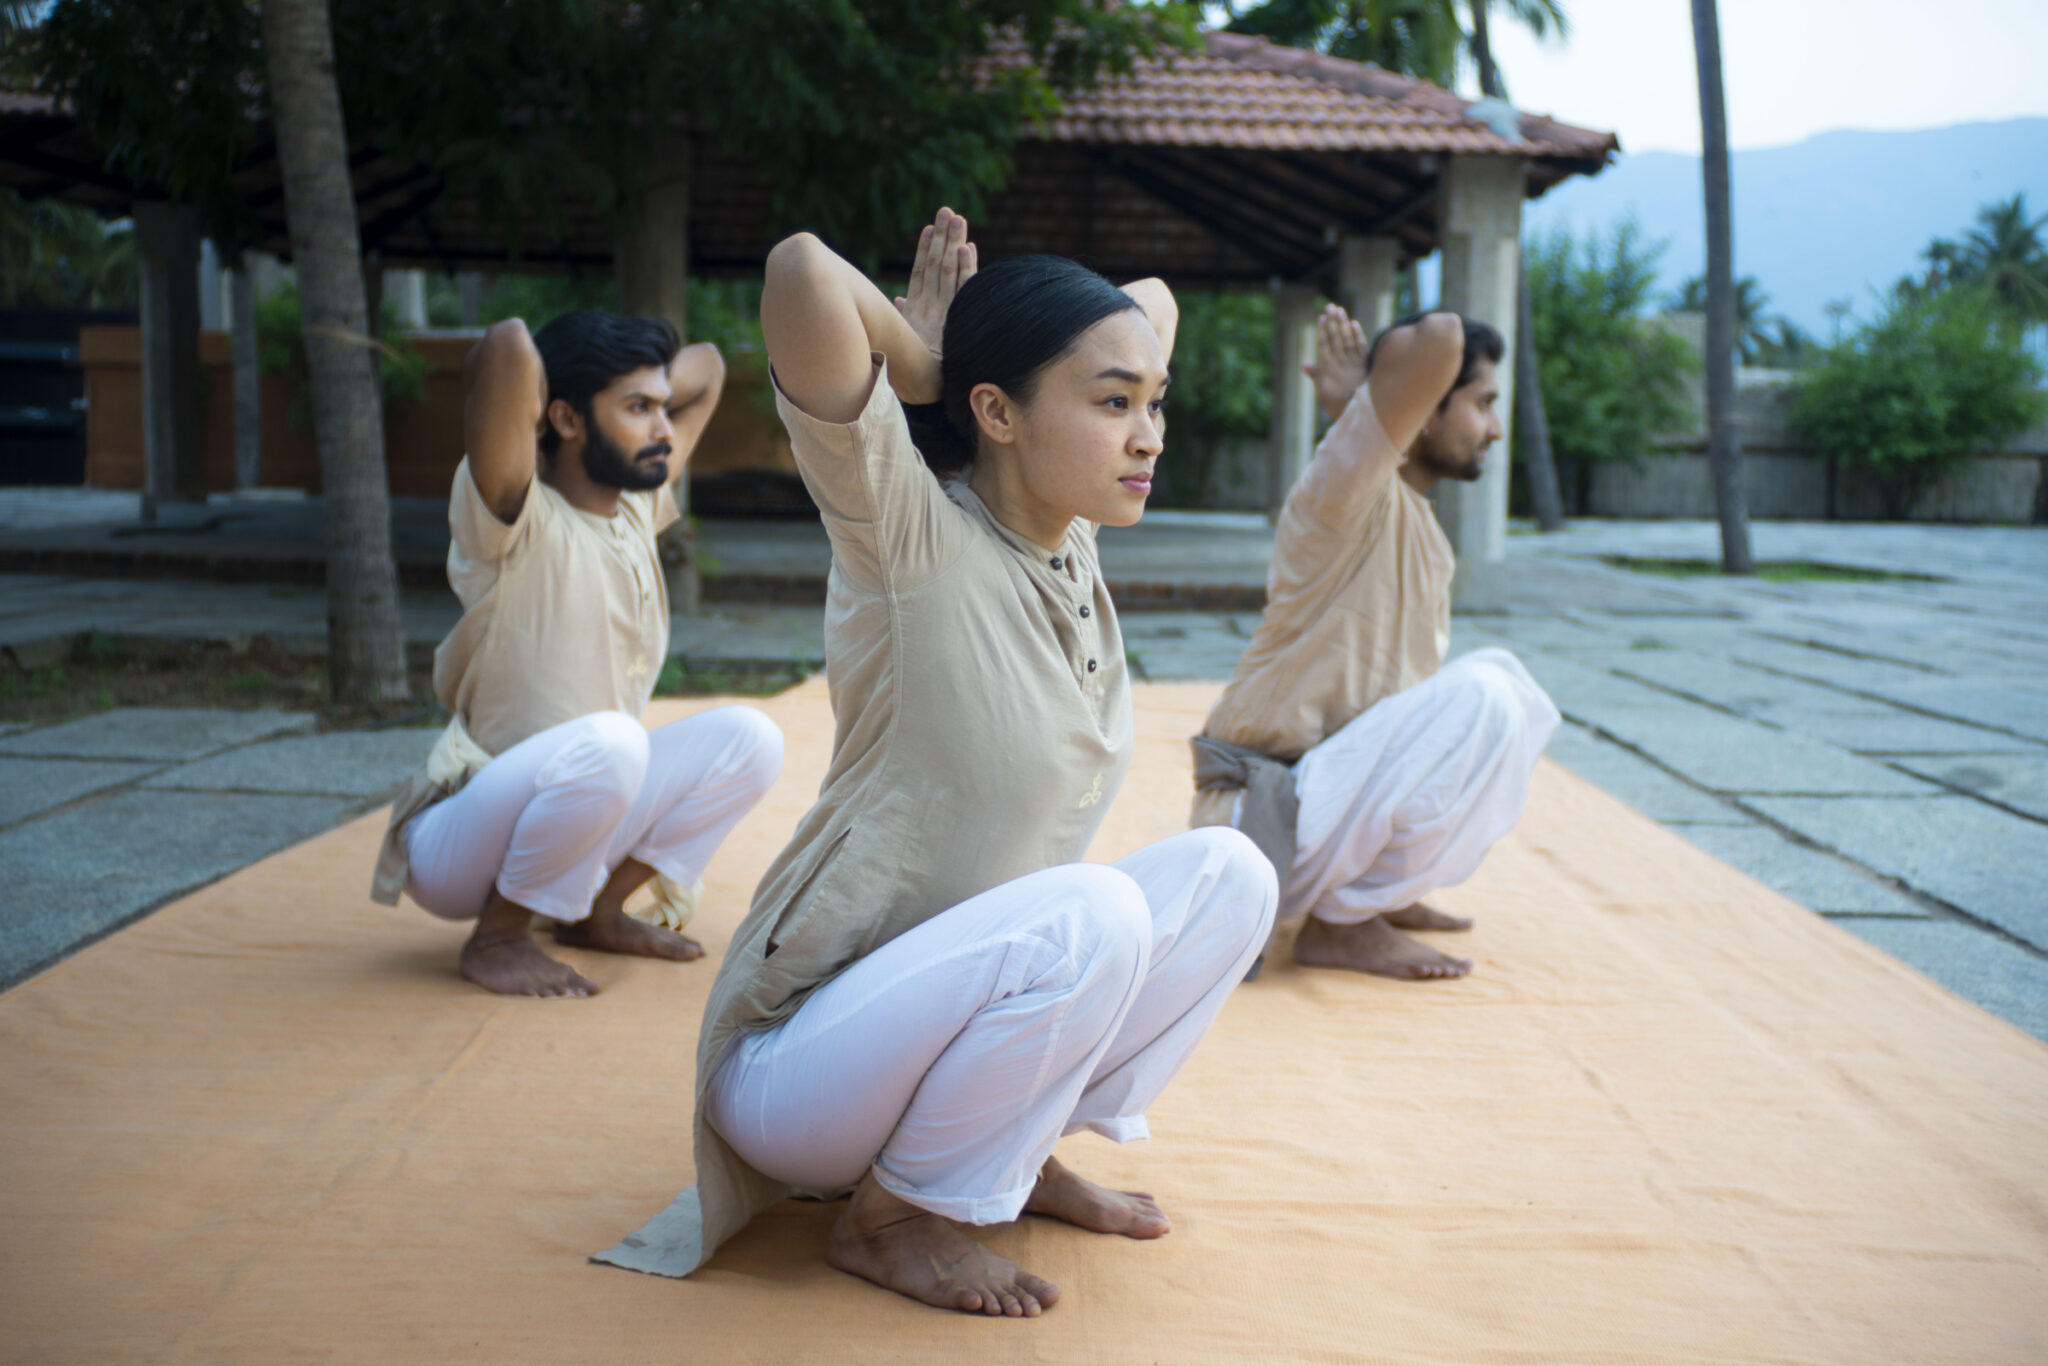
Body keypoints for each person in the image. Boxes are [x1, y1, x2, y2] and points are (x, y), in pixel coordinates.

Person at [598, 209, 1277, 1316]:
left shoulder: (1068, 538)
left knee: (1228, 874)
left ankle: (1011, 1154)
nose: (1150, 433)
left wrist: (1066, 370)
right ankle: (896, 1217)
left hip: (935, 1026)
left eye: (1151, 403)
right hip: (795, 1071)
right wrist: (929, 366)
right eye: (1114, 406)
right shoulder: (906, 531)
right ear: (996, 414)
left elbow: (1150, 297)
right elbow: (800, 273)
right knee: (1093, 911)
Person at [369, 310, 784, 998]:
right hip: (460, 839)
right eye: (638, 408)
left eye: (660, 406)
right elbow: (504, 343)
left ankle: (593, 911)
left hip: (584, 805)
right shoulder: (512, 515)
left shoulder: (634, 512)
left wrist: (627, 374)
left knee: (752, 738)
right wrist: (549, 391)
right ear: (562, 419)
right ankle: (498, 937)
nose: (662, 428)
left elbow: (706, 364)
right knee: (616, 742)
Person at [1189, 304, 1559, 981]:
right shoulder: (1342, 492)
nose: (1495, 428)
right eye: (1481, 403)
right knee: (1484, 700)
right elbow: (1441, 337)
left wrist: (1356, 403)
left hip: (1318, 804)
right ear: (1424, 406)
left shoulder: (1419, 528)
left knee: (1506, 682)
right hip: (1259, 819)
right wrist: (1360, 399)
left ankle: (1374, 897)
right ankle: (1343, 923)